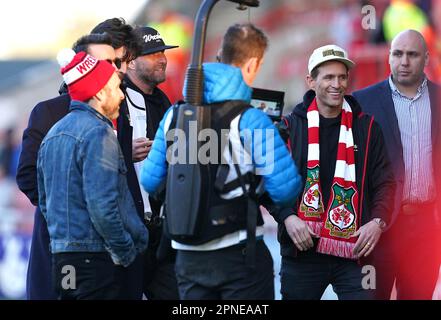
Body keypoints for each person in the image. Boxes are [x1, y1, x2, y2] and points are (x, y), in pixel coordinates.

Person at [140, 23, 302, 300]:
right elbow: (285, 191)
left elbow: (150, 181)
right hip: (239, 254)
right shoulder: (252, 119)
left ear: (219, 58)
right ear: (253, 64)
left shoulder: (174, 115)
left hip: (186, 257)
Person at [16, 19, 140, 300]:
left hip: (114, 254)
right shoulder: (49, 113)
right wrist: (72, 220)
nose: (114, 70)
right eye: (104, 62)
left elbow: (116, 185)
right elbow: (29, 178)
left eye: (117, 61)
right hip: (70, 253)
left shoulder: (120, 111)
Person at [274, 44, 395, 300]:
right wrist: (287, 217)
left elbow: (385, 181)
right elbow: (270, 182)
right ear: (310, 81)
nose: (337, 84)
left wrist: (377, 222)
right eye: (328, 77)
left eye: (342, 77)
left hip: (355, 255)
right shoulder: (289, 127)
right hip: (302, 253)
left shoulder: (368, 127)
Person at [353, 29, 441, 300]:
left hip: (427, 227)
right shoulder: (362, 101)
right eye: (397, 54)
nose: (404, 61)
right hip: (380, 228)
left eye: (412, 55)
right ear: (389, 57)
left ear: (426, 58)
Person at [118, 26, 179, 299]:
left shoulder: (164, 101)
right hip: (129, 231)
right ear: (130, 61)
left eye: (163, 52)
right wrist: (120, 152)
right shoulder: (115, 100)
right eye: (153, 54)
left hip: (163, 231)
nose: (163, 58)